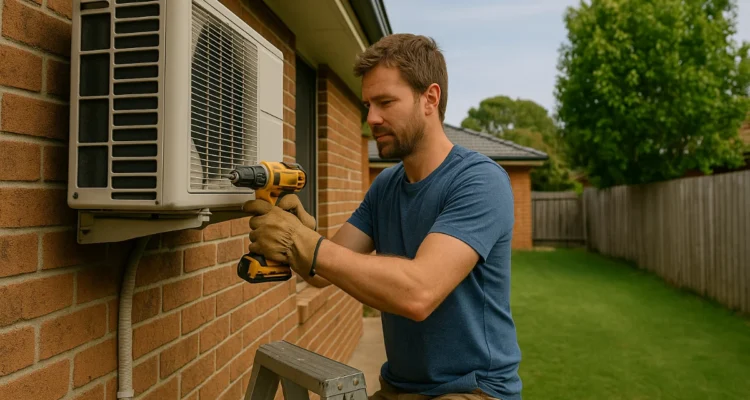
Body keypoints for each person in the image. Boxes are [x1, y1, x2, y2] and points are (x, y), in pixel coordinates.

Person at [243, 33, 522, 400]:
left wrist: (303, 243)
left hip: (473, 390)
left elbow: (419, 292)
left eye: (386, 102)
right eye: (368, 104)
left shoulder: (480, 181)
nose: (371, 118)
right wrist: (301, 231)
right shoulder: (387, 185)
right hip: (398, 387)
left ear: (430, 99)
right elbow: (321, 271)